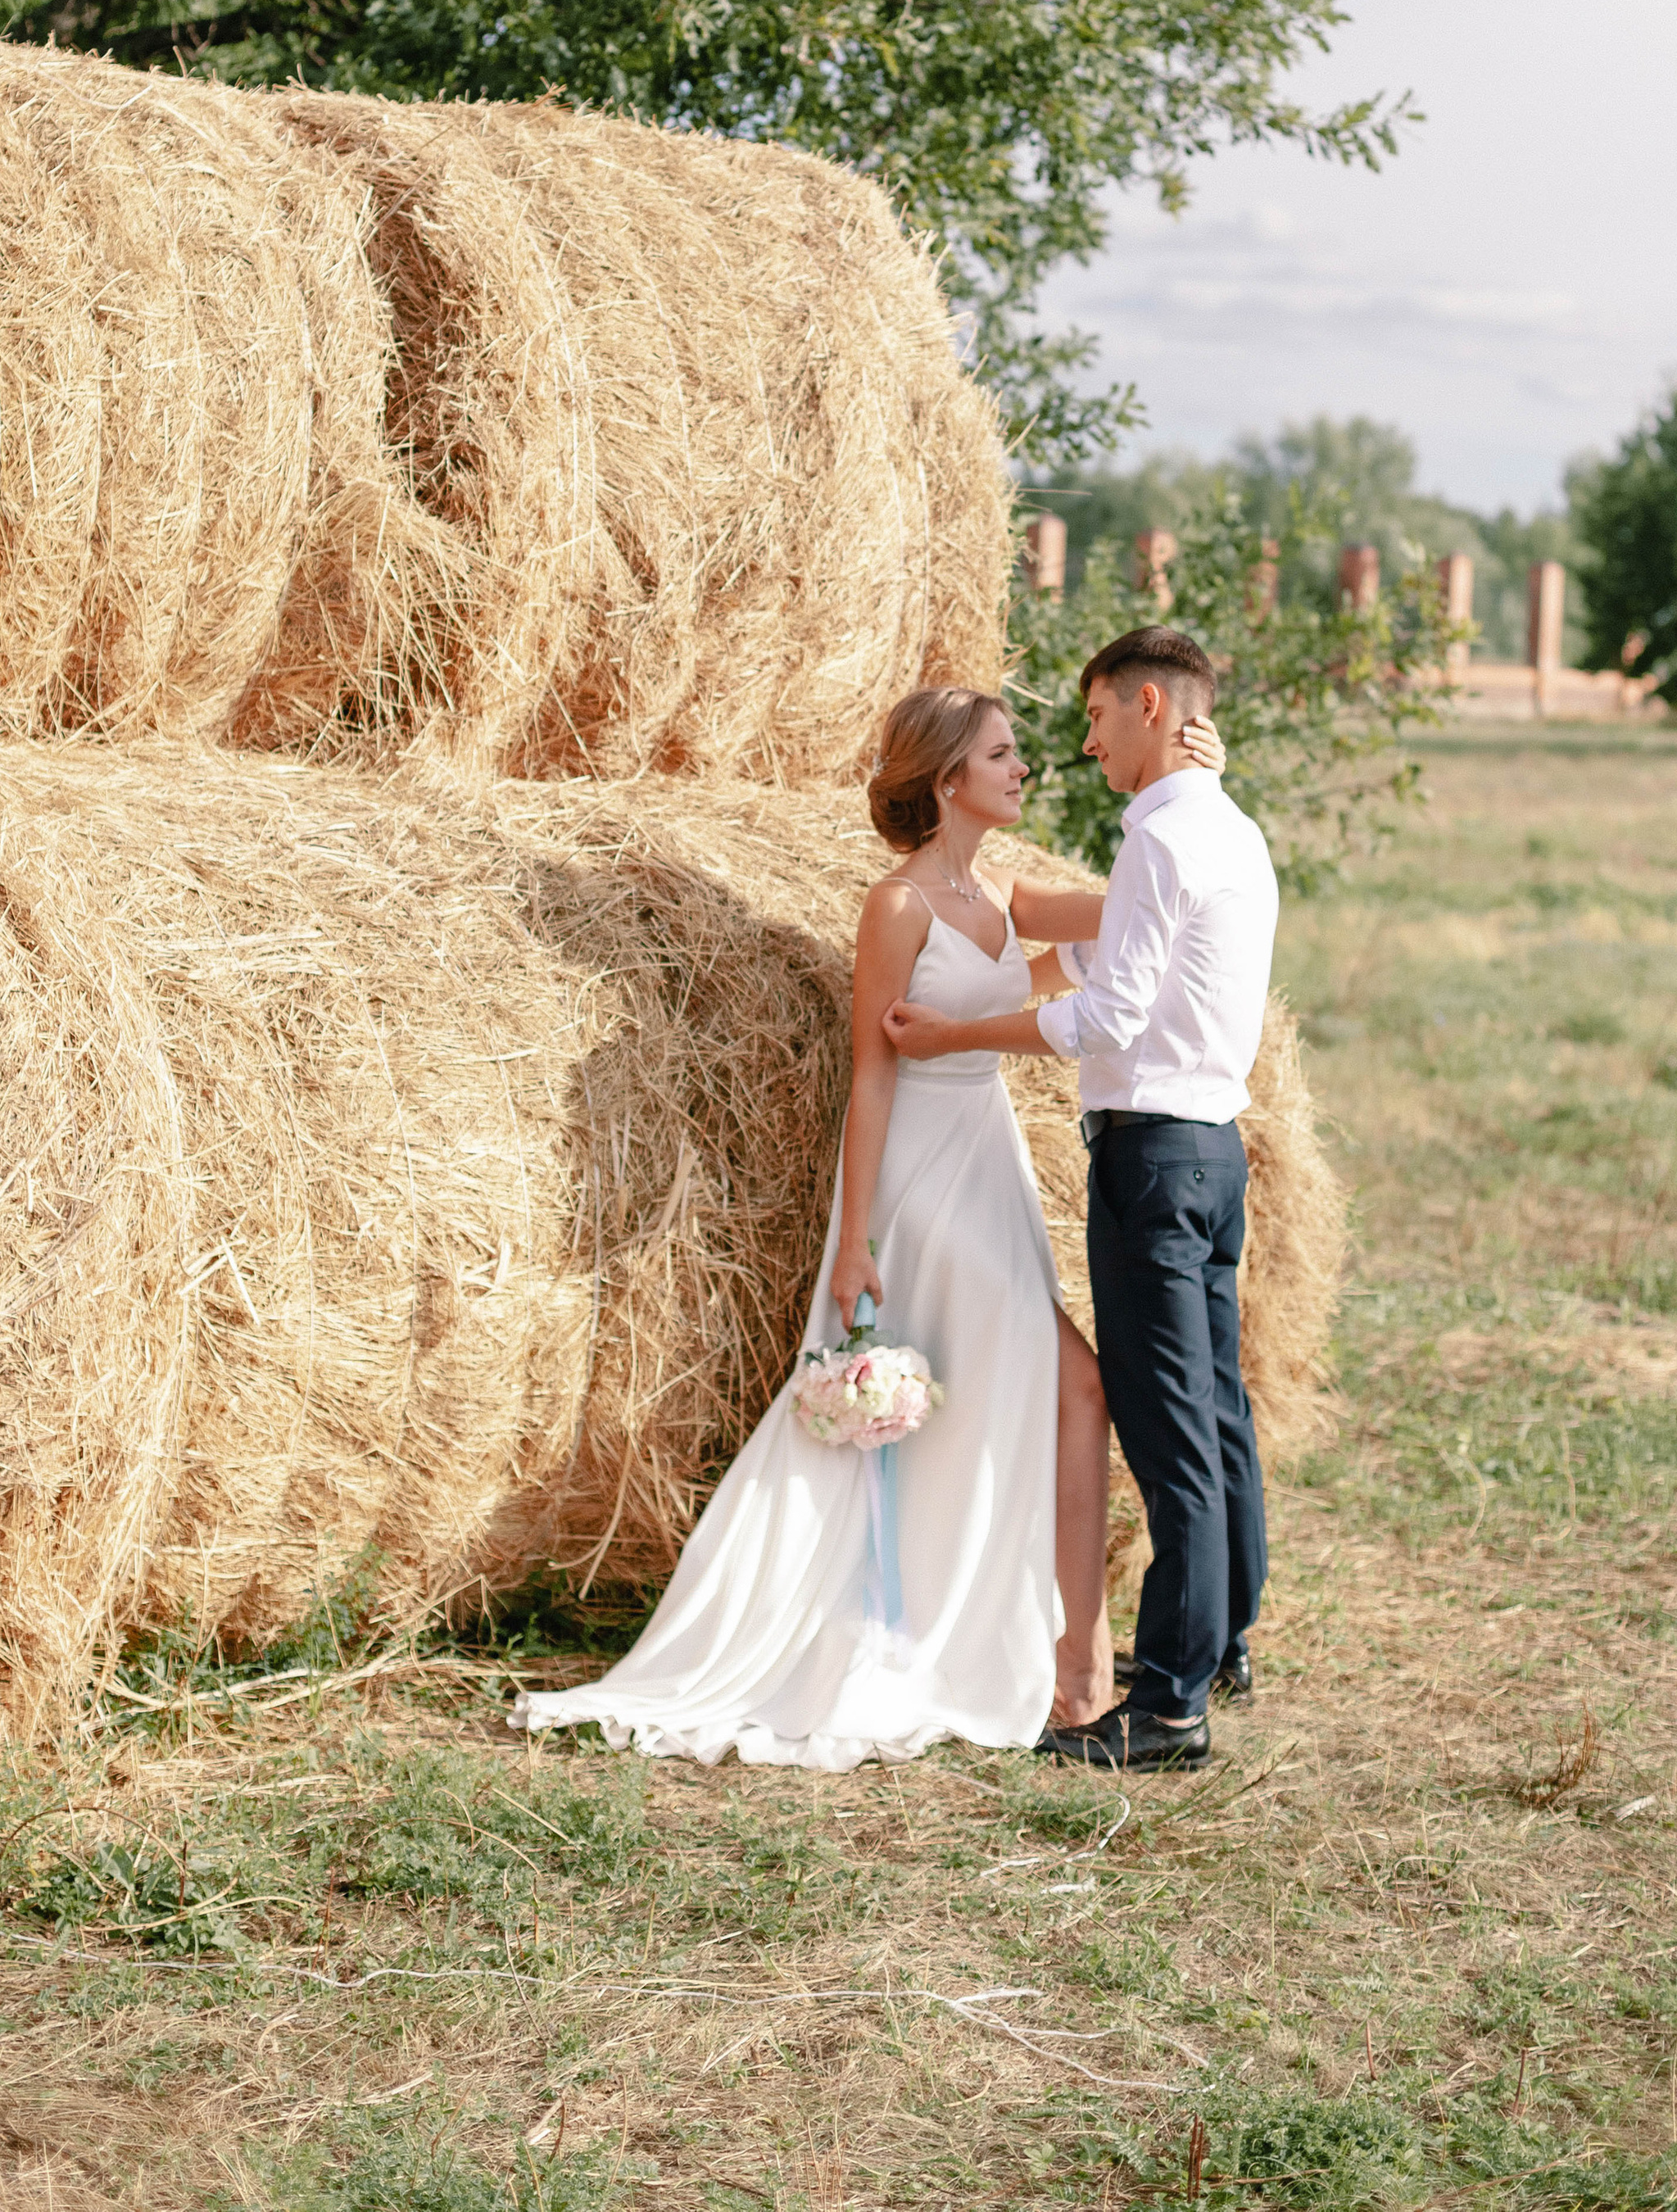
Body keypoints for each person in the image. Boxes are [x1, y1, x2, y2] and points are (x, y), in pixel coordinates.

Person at [512, 680, 1222, 1769]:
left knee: (1040, 1395)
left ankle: (1064, 1656)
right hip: (924, 1184)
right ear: (947, 782)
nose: (1024, 767)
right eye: (1001, 754)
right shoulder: (898, 909)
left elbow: (1160, 896)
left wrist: (1195, 785)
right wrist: (856, 1238)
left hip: (992, 1160)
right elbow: (873, 1073)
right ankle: (1073, 1665)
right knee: (1078, 1386)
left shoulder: (1009, 900)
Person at [885, 625, 1278, 1772]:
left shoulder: (1161, 835)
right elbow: (1101, 960)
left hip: (1153, 1155)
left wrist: (961, 1035)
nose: (1085, 738)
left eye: (1099, 714)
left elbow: (1106, 1017)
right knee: (1215, 1410)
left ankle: (1165, 1707)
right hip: (1213, 1150)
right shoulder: (1228, 826)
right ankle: (1223, 1646)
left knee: (1169, 1437)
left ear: (1150, 707)